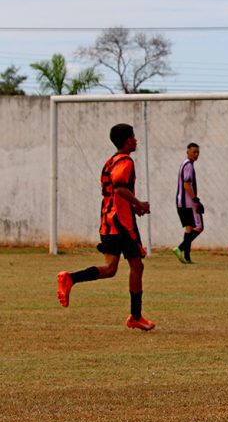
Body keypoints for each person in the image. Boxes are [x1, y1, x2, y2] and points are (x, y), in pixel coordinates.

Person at [56, 123, 156, 331]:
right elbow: (119, 187)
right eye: (133, 137)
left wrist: (133, 207)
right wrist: (138, 204)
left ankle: (71, 278)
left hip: (108, 220)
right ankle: (135, 316)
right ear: (127, 140)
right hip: (122, 222)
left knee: (110, 269)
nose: (136, 140)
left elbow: (113, 191)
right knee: (137, 266)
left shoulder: (110, 161)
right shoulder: (126, 161)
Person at [172, 142, 204, 264]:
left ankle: (187, 257)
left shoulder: (184, 164)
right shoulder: (189, 165)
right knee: (199, 227)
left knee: (189, 228)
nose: (196, 154)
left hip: (181, 202)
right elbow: (186, 184)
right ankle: (180, 248)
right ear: (187, 152)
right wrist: (195, 200)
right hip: (188, 204)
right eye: (193, 152)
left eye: (197, 152)